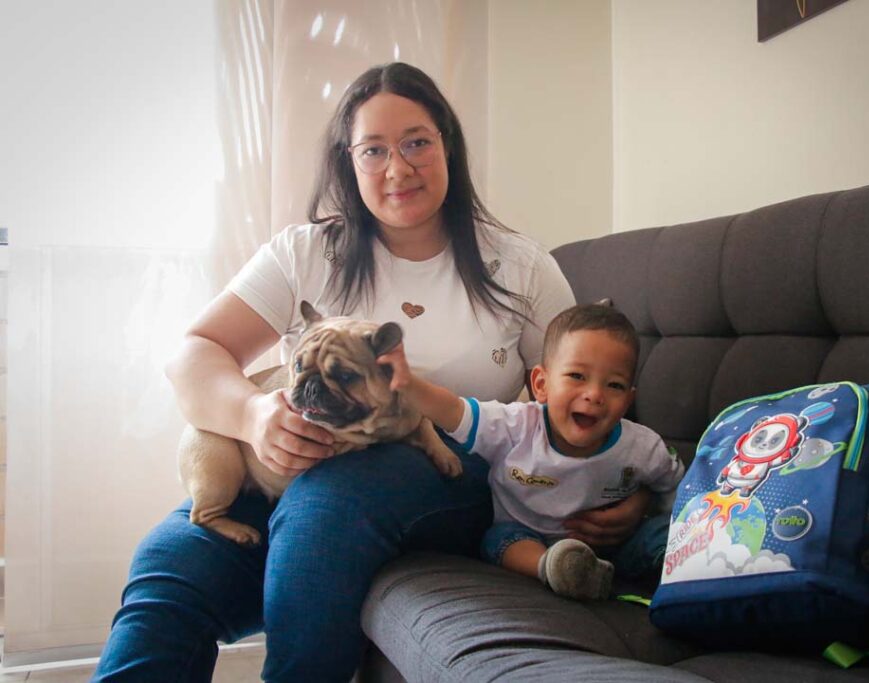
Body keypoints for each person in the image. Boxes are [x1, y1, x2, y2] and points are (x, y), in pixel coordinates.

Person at [92, 62, 656, 682]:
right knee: (171, 566)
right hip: (286, 473)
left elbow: (586, 390)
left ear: (447, 143)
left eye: (416, 142)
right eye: (374, 150)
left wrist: (625, 490)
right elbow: (194, 352)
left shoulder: (519, 266)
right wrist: (252, 417)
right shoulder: (304, 252)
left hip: (447, 477)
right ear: (349, 160)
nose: (397, 168)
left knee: (326, 508)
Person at [379, 303, 686, 601]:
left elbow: (678, 489)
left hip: (617, 545)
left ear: (628, 400)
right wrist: (407, 383)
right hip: (530, 540)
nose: (594, 395)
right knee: (499, 540)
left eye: (614, 385)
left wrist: (653, 512)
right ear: (541, 384)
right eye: (577, 376)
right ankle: (557, 570)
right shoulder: (516, 426)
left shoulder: (643, 448)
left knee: (666, 532)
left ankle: (687, 576)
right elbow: (454, 411)